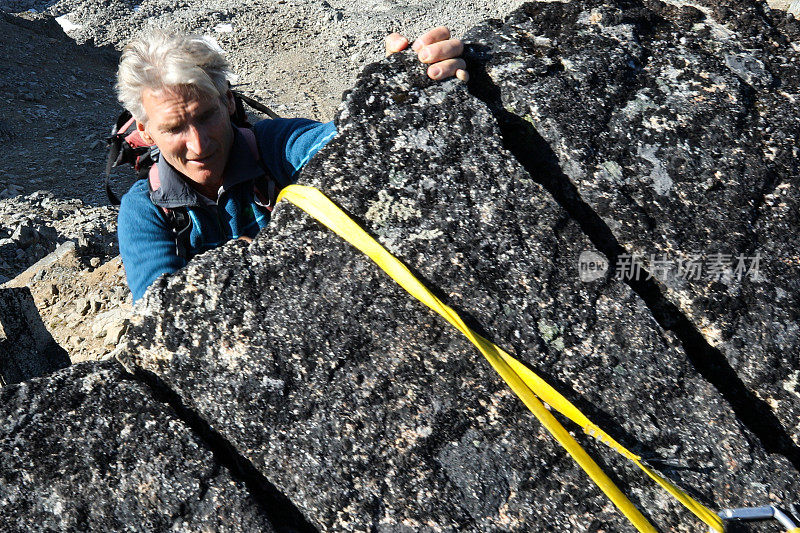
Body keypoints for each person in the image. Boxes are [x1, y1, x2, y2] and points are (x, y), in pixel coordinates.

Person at [116, 27, 468, 302]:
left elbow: (350, 144)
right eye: (174, 128)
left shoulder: (279, 145)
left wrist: (405, 89)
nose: (199, 144)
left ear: (227, 101)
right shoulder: (145, 210)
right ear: (145, 132)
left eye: (206, 116)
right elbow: (158, 312)